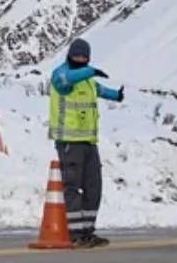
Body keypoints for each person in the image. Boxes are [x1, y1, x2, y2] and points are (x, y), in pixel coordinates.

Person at [48, 38, 124, 248]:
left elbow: (100, 90)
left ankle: (88, 231)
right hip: (69, 142)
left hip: (89, 142)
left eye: (84, 56)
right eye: (77, 55)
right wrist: (90, 71)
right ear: (70, 55)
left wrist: (117, 95)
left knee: (93, 187)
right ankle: (75, 233)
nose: (81, 59)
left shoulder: (88, 81)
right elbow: (69, 78)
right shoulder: (61, 75)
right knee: (72, 187)